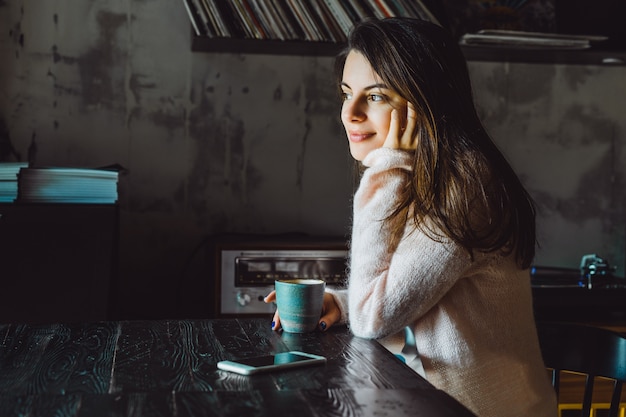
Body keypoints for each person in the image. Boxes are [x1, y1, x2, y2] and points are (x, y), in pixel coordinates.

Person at [265, 17, 557, 417]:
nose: (349, 113)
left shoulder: (465, 188)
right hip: (425, 402)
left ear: (427, 101)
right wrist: (342, 303)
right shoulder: (431, 176)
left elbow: (374, 318)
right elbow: (410, 289)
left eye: (377, 96)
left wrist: (384, 171)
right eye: (346, 93)